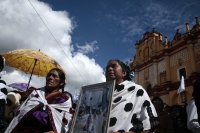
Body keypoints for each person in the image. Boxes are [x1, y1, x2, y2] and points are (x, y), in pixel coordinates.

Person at [5, 68, 73, 133]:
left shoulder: (64, 100)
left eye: (54, 76)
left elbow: (65, 124)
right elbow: (22, 112)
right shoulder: (36, 92)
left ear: (61, 83)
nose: (50, 77)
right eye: (49, 75)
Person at [106, 59, 160, 133]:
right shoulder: (102, 95)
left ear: (124, 73)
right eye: (107, 68)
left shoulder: (137, 91)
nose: (109, 69)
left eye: (114, 66)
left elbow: (149, 127)